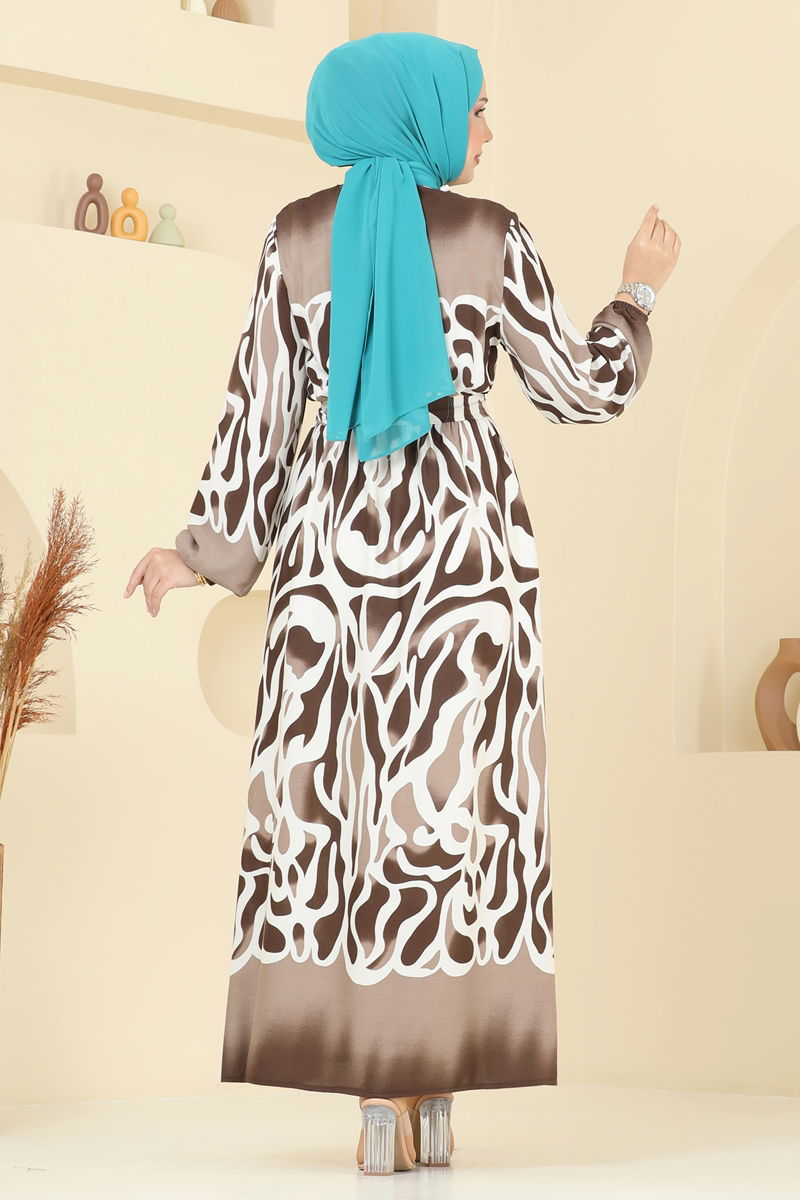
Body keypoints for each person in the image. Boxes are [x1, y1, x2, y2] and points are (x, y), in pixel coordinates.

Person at [123, 31, 680, 1176]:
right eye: (475, 109)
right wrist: (636, 291)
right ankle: (431, 1089)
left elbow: (257, 415)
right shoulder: (489, 237)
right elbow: (578, 390)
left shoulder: (294, 240)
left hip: (331, 561)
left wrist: (199, 556)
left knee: (346, 807)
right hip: (463, 566)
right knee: (450, 814)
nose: (487, 129)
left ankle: (374, 1096)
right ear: (420, 112)